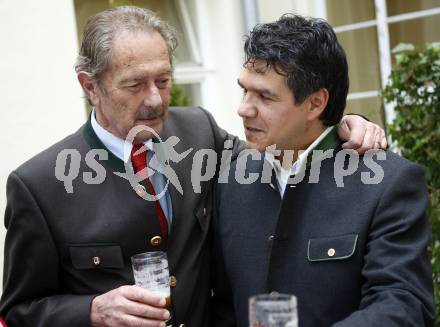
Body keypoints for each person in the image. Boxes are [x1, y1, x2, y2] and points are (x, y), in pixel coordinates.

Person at [0, 7, 386, 327]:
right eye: (135, 85)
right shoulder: (38, 185)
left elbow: (282, 154)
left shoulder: (199, 131)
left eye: (164, 80)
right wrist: (90, 311)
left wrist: (340, 125)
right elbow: (18, 311)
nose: (155, 100)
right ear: (90, 86)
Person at [212, 14, 435, 327]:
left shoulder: (389, 183)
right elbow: (222, 307)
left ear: (315, 103)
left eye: (264, 96)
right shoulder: (230, 181)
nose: (244, 109)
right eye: (244, 91)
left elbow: (404, 303)